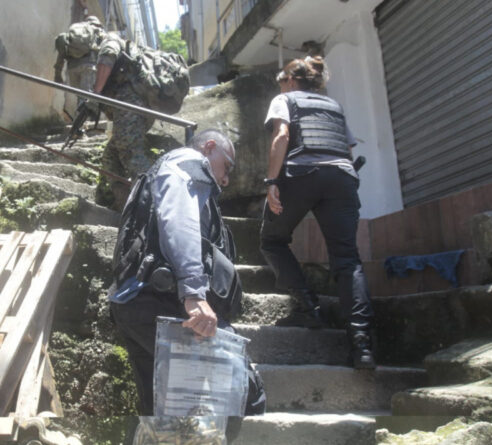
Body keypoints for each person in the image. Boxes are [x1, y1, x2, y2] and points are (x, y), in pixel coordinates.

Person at [108, 129, 266, 417]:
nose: (227, 178)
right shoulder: (188, 163)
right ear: (208, 147)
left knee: (162, 413)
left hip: (134, 301)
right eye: (227, 165)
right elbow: (179, 223)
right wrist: (193, 293)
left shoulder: (159, 172)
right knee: (246, 394)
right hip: (166, 305)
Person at [260, 56, 376, 369]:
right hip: (342, 177)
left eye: (282, 79)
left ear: (292, 80)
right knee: (347, 259)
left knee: (272, 239)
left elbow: (281, 135)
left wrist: (272, 181)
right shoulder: (334, 106)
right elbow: (348, 150)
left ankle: (309, 308)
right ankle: (362, 346)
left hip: (300, 173)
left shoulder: (284, 99)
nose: (281, 85)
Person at [92, 32, 157, 210]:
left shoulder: (110, 40)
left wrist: (95, 94)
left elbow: (107, 57)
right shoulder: (130, 49)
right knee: (111, 156)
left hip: (130, 102)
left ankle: (153, 204)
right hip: (137, 104)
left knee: (131, 153)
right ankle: (123, 201)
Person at [53, 16, 105, 120]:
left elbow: (62, 52)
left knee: (81, 96)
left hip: (72, 68)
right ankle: (87, 123)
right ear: (97, 24)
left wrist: (57, 74)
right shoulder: (97, 31)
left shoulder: (74, 30)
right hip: (88, 66)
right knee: (88, 96)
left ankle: (79, 122)